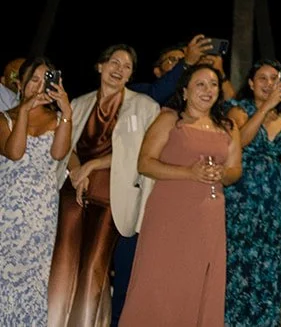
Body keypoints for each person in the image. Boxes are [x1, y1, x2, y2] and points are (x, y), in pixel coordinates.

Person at [119, 64, 242, 327]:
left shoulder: (229, 127)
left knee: (197, 280)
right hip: (170, 212)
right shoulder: (169, 120)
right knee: (161, 278)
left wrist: (222, 174)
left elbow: (235, 171)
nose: (208, 90)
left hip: (208, 214)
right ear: (185, 91)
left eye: (213, 85)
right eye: (200, 84)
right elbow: (145, 163)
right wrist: (189, 172)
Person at [49, 44, 161, 327]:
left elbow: (139, 153)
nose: (119, 70)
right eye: (114, 62)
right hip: (73, 190)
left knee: (93, 268)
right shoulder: (79, 103)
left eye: (126, 66)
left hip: (113, 194)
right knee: (64, 265)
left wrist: (93, 165)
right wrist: (77, 170)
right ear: (100, 66)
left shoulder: (145, 106)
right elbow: (66, 147)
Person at [227, 61, 281, 327]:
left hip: (272, 203)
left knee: (269, 273)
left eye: (274, 79)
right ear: (250, 83)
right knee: (237, 268)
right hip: (240, 199)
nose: (269, 84)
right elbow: (241, 141)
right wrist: (266, 106)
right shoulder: (238, 111)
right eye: (263, 78)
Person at [1, 58, 73, 325]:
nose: (41, 85)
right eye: (34, 79)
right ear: (20, 84)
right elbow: (15, 152)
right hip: (7, 210)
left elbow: (59, 152)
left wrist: (66, 110)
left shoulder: (57, 119)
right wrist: (24, 110)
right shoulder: (4, 118)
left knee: (34, 278)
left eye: (46, 79)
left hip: (41, 211)